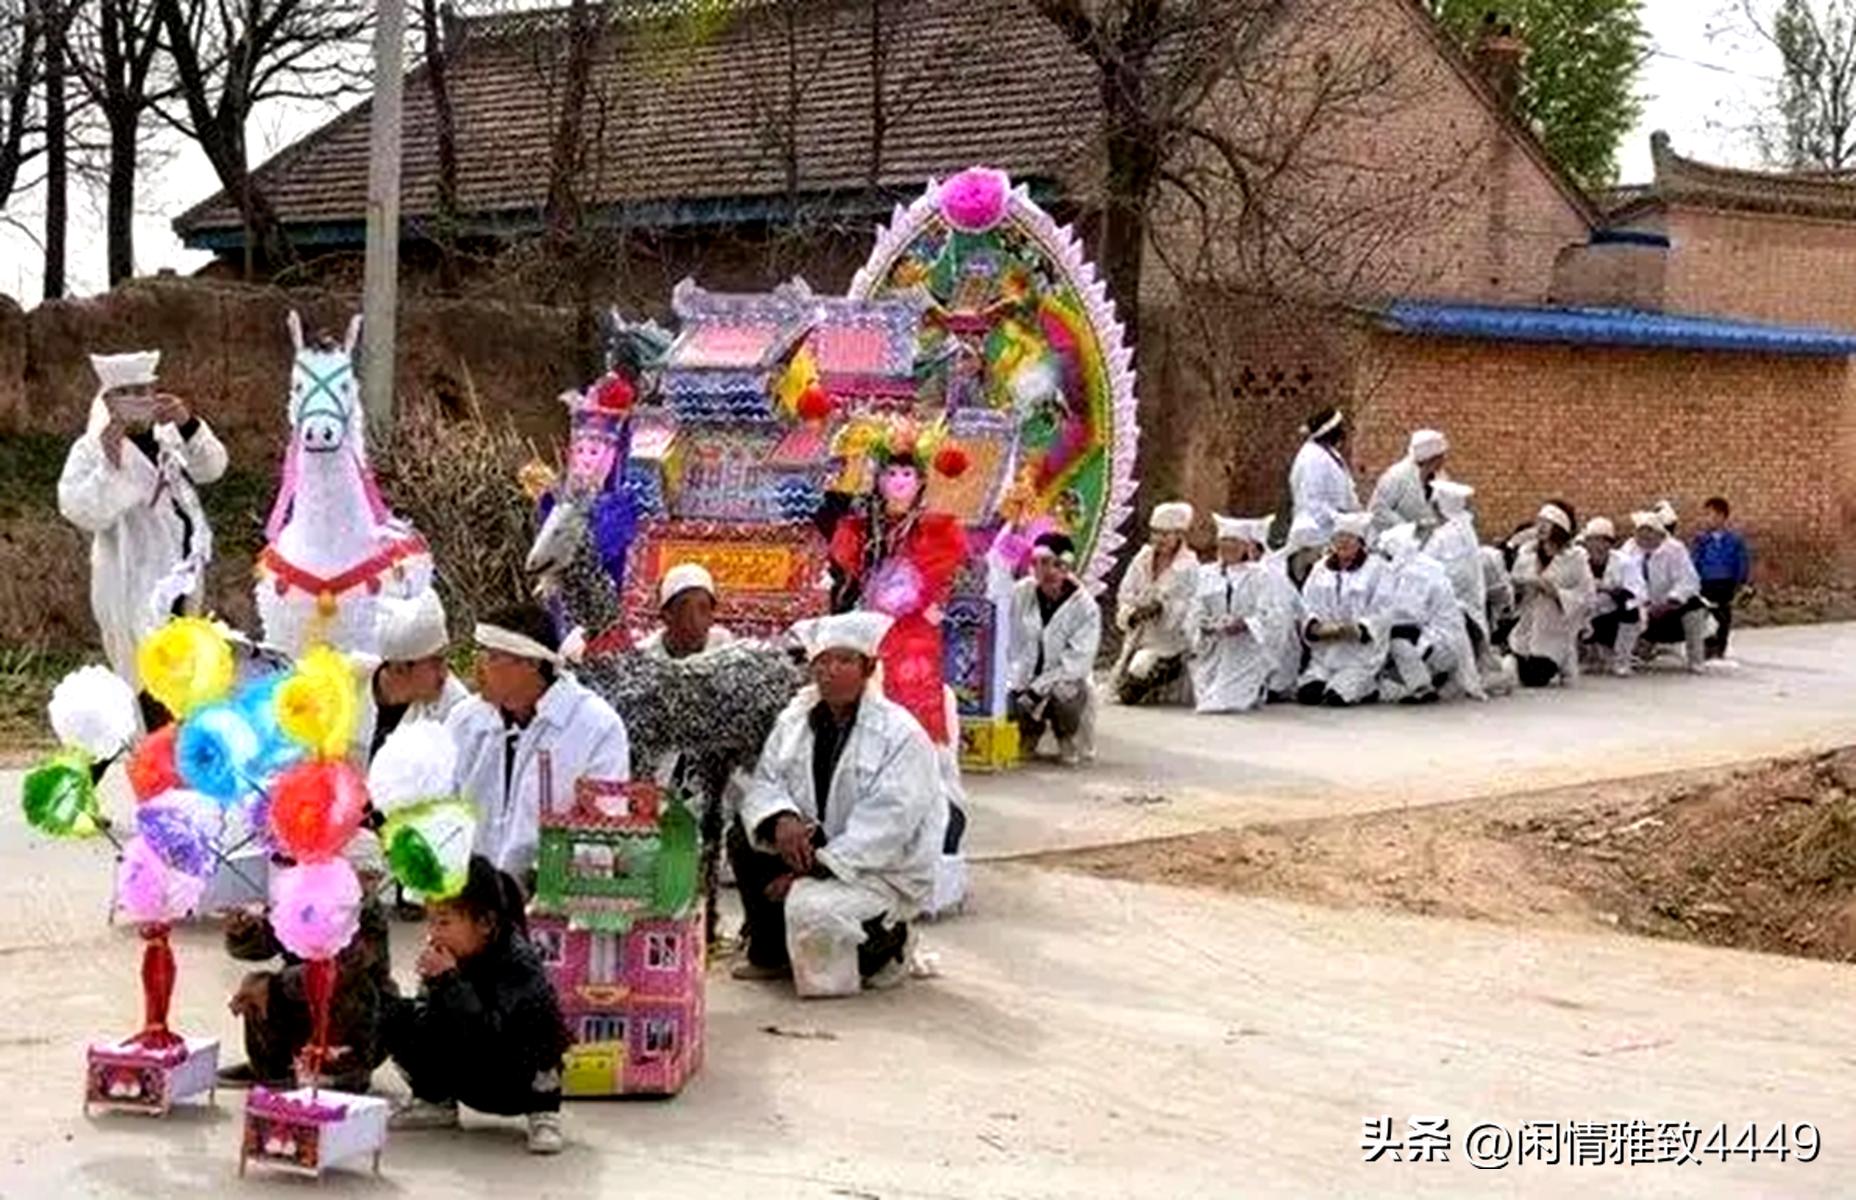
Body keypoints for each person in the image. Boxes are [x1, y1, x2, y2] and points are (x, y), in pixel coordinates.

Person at [730, 612, 946, 997]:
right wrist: (781, 817)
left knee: (812, 909)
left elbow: (887, 826)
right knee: (744, 838)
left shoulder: (899, 734)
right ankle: (771, 951)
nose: (831, 671)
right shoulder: (795, 721)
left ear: (868, 668)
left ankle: (888, 945)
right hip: (812, 846)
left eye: (844, 661)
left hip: (875, 870)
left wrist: (814, 870)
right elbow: (766, 781)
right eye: (823, 662)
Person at [57, 351, 227, 727]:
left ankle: (170, 747)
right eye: (126, 392)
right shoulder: (90, 449)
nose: (137, 399)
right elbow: (81, 510)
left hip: (181, 577)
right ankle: (147, 749)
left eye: (143, 390)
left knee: (181, 675)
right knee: (142, 674)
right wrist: (111, 465)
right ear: (108, 401)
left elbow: (212, 468)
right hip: (132, 580)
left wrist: (188, 423)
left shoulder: (170, 437)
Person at [385, 856, 572, 1155]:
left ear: (484, 923)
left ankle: (544, 1115)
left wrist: (450, 981)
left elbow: (489, 1033)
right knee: (396, 1014)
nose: (434, 933)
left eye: (444, 922)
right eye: (430, 921)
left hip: (514, 1082)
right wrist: (434, 986)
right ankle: (436, 1101)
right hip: (468, 1075)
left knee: (540, 1031)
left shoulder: (518, 962)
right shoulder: (449, 957)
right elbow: (431, 1022)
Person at [447, 605, 631, 881]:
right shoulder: (465, 720)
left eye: (492, 656)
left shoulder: (596, 726)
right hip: (470, 895)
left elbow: (605, 832)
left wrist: (535, 881)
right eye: (478, 654)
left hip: (553, 895)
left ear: (531, 663)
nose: (478, 669)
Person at [219, 843, 396, 1093]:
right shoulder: (302, 899)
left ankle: (342, 1071)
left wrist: (274, 985)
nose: (368, 885)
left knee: (349, 986)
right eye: (362, 875)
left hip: (364, 1020)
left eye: (372, 877)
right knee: (256, 984)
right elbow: (262, 946)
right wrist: (243, 932)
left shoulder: (367, 914)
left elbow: (345, 967)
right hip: (303, 999)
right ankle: (271, 1068)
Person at [1188, 514, 1302, 713]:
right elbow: (1195, 608)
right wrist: (1204, 626)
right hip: (1214, 647)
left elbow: (1273, 616)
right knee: (1206, 694)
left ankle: (1256, 686)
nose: (1228, 547)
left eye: (1234, 542)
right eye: (1224, 541)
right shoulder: (1206, 574)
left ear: (1245, 547)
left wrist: (1245, 624)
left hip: (1247, 648)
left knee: (1223, 701)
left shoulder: (1260, 576)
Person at [1005, 533, 1102, 764]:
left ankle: (1066, 737)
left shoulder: (1085, 607)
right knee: (1008, 695)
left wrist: (1038, 688)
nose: (1049, 572)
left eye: (1058, 565)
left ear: (1068, 568)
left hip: (1064, 678)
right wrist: (1017, 682)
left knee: (1065, 693)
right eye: (1042, 563)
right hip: (1026, 674)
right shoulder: (1021, 593)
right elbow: (1011, 642)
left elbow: (1078, 661)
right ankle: (1028, 734)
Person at [356, 588, 472, 763]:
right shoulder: (347, 681)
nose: (445, 673)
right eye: (435, 662)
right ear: (400, 668)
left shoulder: (455, 707)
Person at [1374, 523, 1484, 703]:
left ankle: (1421, 686)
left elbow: (1408, 615)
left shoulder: (1415, 574)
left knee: (1395, 638)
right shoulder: (1420, 565)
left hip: (1439, 640)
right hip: (1444, 636)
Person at [1111, 501, 1200, 705]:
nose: (1159, 539)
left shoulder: (1189, 566)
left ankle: (1170, 669)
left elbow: (1192, 606)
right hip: (1139, 635)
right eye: (1155, 533)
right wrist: (1132, 612)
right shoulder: (1142, 558)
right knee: (1128, 679)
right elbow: (1125, 593)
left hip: (1169, 640)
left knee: (1142, 668)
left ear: (1179, 535)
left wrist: (1163, 608)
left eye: (1165, 534)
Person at [1296, 512, 1388, 707]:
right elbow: (1306, 604)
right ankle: (1324, 679)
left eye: (1349, 537)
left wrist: (1358, 628)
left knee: (1336, 698)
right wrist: (1314, 626)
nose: (1343, 542)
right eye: (1339, 537)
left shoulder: (1377, 568)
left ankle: (1368, 686)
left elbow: (1383, 608)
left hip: (1358, 655)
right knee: (1308, 695)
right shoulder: (1320, 568)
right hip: (1326, 653)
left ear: (1360, 542)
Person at [1508, 502, 1593, 688]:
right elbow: (1514, 585)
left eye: (1547, 523)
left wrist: (1556, 593)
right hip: (1525, 628)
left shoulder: (1575, 558)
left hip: (1554, 632)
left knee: (1534, 677)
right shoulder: (1527, 553)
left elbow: (1586, 596)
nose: (1541, 527)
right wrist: (1520, 587)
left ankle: (1562, 661)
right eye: (1539, 522)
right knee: (1511, 668)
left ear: (1560, 528)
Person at [1621, 510, 1710, 673]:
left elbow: (1689, 581)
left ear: (1659, 534)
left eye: (1649, 532)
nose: (1644, 537)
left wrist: (1671, 601)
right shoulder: (1628, 550)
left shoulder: (1675, 549)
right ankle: (1630, 653)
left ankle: (1696, 660)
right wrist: (1643, 603)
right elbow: (1624, 580)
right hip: (1642, 609)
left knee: (1694, 605)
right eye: (1640, 532)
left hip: (1671, 610)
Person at [1579, 517, 1644, 677]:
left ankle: (1622, 660)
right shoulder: (1579, 562)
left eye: (1602, 541)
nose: (1597, 546)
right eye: (1593, 541)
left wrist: (1611, 590)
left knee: (1630, 608)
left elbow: (1637, 594)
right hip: (1587, 616)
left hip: (1615, 617)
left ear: (1610, 544)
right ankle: (1589, 656)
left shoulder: (1624, 562)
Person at [1288, 406, 1359, 543]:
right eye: (1341, 427)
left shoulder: (1328, 454)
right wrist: (1342, 519)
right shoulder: (1312, 458)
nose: (1344, 431)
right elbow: (1313, 501)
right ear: (1331, 430)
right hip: (1315, 534)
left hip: (1332, 532)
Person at [1690, 497, 1751, 659]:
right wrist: (1694, 580)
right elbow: (1695, 561)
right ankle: (1707, 647)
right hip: (1706, 583)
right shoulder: (1701, 540)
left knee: (1723, 615)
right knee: (1706, 615)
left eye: (1709, 515)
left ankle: (1720, 647)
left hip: (1726, 583)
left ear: (1721, 516)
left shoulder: (1734, 541)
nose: (1706, 519)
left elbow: (1741, 562)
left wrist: (1742, 582)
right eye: (1705, 515)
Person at [639, 562, 734, 659]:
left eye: (703, 609)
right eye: (685, 609)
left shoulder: (725, 647)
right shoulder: (645, 655)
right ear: (667, 614)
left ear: (711, 617)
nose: (695, 620)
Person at [1368, 429, 1449, 533]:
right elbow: (1378, 509)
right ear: (1430, 457)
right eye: (1441, 455)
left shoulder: (1440, 477)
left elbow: (1441, 508)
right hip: (1391, 539)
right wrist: (1408, 528)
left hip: (1424, 540)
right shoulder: (1397, 476)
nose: (1444, 459)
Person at [1269, 512, 1327, 590]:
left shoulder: (1319, 573)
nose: (1321, 555)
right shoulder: (1276, 570)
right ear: (1305, 549)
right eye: (1318, 550)